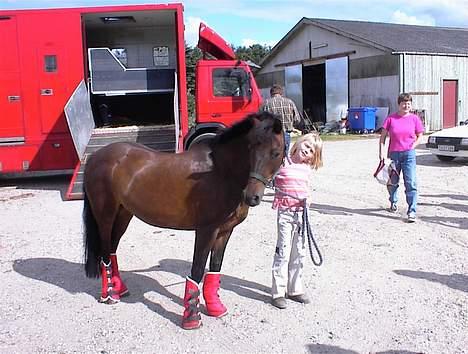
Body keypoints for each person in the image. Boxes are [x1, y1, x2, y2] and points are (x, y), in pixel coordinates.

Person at [271, 132, 323, 309]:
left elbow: (306, 188)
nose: (306, 151)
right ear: (299, 142)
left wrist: (309, 199)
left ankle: (295, 288)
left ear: (313, 157)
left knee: (299, 252)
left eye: (311, 151)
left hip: (302, 213)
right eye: (306, 146)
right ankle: (278, 291)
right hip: (285, 212)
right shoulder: (284, 161)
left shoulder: (307, 168)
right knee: (283, 251)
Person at [379, 93, 424, 223]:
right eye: (403, 103)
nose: (406, 105)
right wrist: (381, 153)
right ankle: (393, 201)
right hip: (394, 155)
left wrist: (413, 146)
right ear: (398, 104)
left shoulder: (415, 119)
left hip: (409, 154)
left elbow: (420, 135)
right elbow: (382, 138)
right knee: (393, 182)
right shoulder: (391, 119)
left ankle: (412, 210)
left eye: (408, 103)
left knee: (411, 182)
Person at [261, 84, 301, 153]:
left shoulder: (266, 103)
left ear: (271, 93)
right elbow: (297, 119)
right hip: (286, 134)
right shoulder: (290, 102)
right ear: (281, 93)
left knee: (273, 158)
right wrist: (290, 124)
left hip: (272, 135)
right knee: (284, 156)